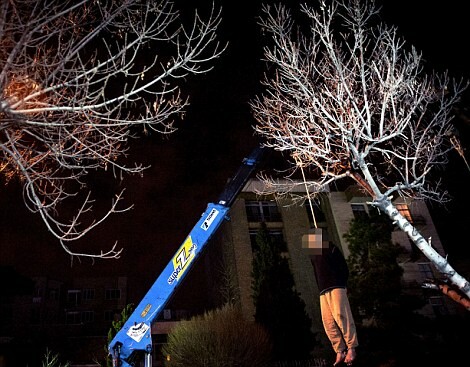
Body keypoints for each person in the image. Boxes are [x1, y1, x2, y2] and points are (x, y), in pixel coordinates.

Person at [304, 231, 358, 366]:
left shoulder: (331, 248)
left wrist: (342, 283)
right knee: (327, 321)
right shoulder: (314, 256)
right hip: (323, 290)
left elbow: (344, 268)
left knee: (342, 316)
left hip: (336, 286)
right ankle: (339, 350)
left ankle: (351, 347)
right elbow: (316, 273)